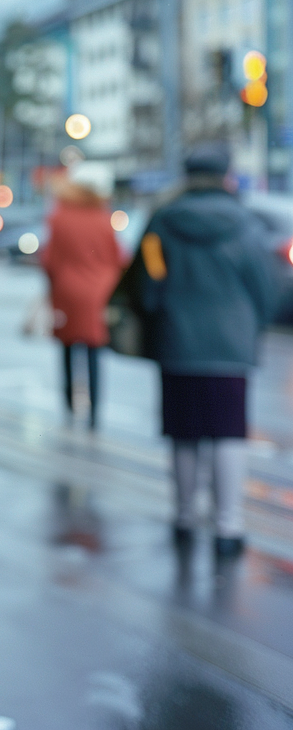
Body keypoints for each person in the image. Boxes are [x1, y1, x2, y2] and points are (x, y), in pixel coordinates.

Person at [136, 143, 275, 557]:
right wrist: (249, 324)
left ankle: (184, 518)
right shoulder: (247, 224)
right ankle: (228, 527)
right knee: (229, 433)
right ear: (226, 176)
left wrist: (160, 314)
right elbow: (266, 289)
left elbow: (148, 283)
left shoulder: (160, 222)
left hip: (178, 344)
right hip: (231, 346)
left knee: (184, 433)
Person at [41, 161, 126, 429]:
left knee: (67, 350)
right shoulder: (103, 218)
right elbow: (118, 258)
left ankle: (69, 405)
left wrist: (54, 286)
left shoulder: (59, 217)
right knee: (94, 352)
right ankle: (94, 414)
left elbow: (49, 259)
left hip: (67, 291)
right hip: (99, 293)